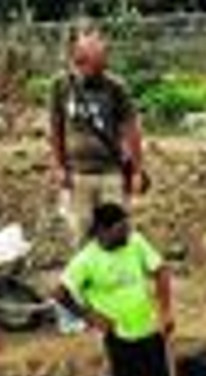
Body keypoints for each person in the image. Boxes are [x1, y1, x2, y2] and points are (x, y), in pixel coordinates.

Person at [54, 202, 175, 376]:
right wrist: (91, 317)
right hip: (119, 336)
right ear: (103, 231)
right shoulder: (86, 260)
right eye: (121, 230)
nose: (127, 234)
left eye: (127, 228)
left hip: (151, 328)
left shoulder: (135, 242)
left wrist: (166, 311)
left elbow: (161, 271)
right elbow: (60, 293)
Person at [48, 27, 147, 246]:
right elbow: (56, 128)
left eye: (99, 62)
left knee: (116, 233)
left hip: (110, 172)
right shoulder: (61, 86)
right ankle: (85, 277)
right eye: (86, 62)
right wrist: (59, 166)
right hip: (78, 174)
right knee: (81, 232)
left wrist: (138, 170)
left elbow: (132, 129)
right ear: (78, 59)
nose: (94, 68)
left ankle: (117, 278)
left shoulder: (115, 87)